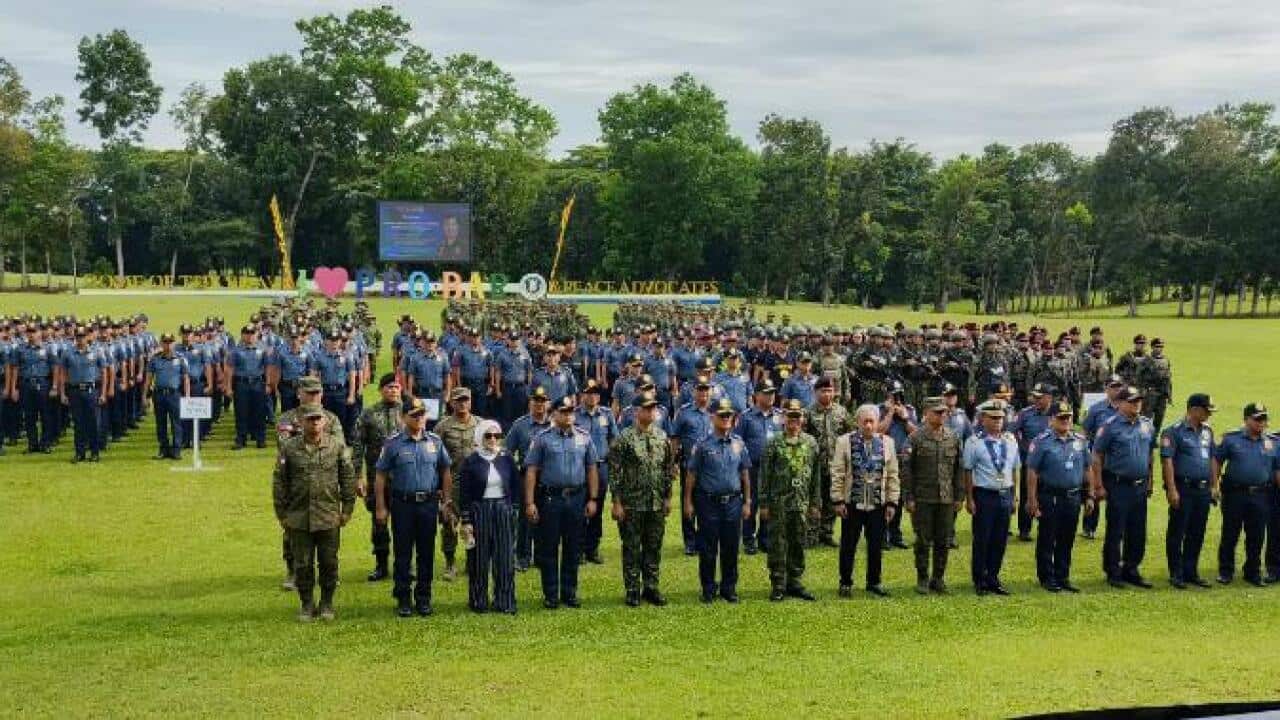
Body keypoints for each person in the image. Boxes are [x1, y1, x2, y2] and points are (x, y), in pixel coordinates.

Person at [273, 408, 356, 622]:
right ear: (302, 422)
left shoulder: (336, 446)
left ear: (326, 421)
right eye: (310, 420)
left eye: (318, 419)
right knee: (303, 564)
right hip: (299, 517)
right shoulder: (289, 448)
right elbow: (280, 482)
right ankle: (307, 604)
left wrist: (347, 509)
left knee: (329, 563)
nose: (315, 423)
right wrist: (282, 513)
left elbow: (347, 478)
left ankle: (327, 603)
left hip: (328, 516)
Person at [374, 398, 454, 617]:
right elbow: (380, 475)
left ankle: (424, 597)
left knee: (426, 553)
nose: (419, 419)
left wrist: (446, 501)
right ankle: (403, 597)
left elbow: (445, 471)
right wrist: (381, 507)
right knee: (402, 554)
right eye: (414, 415)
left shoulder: (435, 442)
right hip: (403, 505)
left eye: (422, 414)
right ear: (403, 417)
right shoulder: (393, 443)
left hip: (428, 504)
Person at [524, 395, 600, 609]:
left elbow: (592, 468)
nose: (568, 415)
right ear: (554, 414)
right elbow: (531, 471)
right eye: (564, 412)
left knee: (573, 547)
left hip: (576, 498)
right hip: (551, 499)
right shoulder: (542, 438)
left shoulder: (584, 437)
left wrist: (593, 498)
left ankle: (569, 592)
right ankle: (551, 594)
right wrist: (530, 502)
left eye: (571, 412)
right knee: (548, 548)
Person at [607, 391, 677, 606]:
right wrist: (617, 503)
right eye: (647, 408)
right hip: (632, 503)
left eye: (653, 408)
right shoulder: (624, 439)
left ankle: (651, 587)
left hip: (655, 502)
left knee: (653, 547)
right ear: (637, 412)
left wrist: (667, 498)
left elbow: (667, 469)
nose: (652, 411)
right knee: (631, 548)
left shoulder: (662, 436)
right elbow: (615, 473)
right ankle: (632, 589)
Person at [684, 398, 751, 604]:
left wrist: (748, 501)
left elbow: (745, 474)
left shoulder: (739, 444)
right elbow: (691, 475)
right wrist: (688, 501)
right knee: (708, 548)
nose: (726, 419)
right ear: (713, 417)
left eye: (729, 415)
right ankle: (708, 588)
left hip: (733, 502)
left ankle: (728, 588)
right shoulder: (702, 445)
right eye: (722, 415)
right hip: (708, 503)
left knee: (731, 548)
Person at [1090, 386, 1156, 589]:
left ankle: (1131, 568)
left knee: (1137, 530)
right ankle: (1113, 571)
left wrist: (1150, 480)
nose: (1137, 404)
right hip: (1118, 484)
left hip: (1140, 485)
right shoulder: (1109, 426)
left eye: (1139, 400)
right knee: (1116, 530)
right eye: (1132, 401)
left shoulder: (1147, 425)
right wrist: (1099, 485)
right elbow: (1097, 455)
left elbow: (1150, 454)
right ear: (1120, 403)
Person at [830, 403, 899, 597]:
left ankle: (874, 582)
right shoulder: (844, 442)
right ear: (857, 422)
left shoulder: (888, 443)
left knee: (876, 545)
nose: (868, 425)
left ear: (878, 423)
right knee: (848, 545)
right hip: (852, 503)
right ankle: (845, 582)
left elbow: (893, 474)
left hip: (878, 503)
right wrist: (838, 500)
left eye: (872, 421)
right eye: (864, 421)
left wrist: (892, 502)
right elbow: (837, 472)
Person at [1025, 400, 1092, 593]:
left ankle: (1063, 576)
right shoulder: (1041, 442)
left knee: (1067, 538)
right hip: (1050, 497)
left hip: (1072, 497)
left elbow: (1087, 468)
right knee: (1048, 538)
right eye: (1061, 418)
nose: (1065, 421)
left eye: (1068, 417)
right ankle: (1046, 576)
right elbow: (1032, 472)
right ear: (1051, 420)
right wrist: (1032, 499)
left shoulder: (1080, 441)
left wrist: (1089, 495)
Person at [759, 398, 821, 602]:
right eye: (790, 416)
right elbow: (764, 475)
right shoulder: (774, 442)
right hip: (778, 503)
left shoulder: (811, 443)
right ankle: (778, 583)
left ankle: (794, 581)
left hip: (801, 503)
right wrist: (764, 503)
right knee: (777, 543)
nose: (794, 420)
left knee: (798, 542)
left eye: (797, 416)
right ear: (783, 418)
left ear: (802, 419)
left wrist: (814, 503)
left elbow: (816, 476)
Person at [901, 396, 964, 594]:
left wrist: (959, 496)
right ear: (927, 413)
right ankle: (922, 578)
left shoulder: (952, 438)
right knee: (922, 540)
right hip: (923, 498)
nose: (942, 415)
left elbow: (958, 469)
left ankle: (938, 578)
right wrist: (908, 497)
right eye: (937, 412)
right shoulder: (915, 438)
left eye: (944, 412)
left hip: (945, 498)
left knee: (943, 540)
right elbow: (906, 470)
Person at [458, 419, 519, 613]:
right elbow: (464, 493)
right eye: (488, 435)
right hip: (479, 510)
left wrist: (513, 510)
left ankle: (504, 601)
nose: (493, 439)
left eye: (497, 435)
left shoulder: (506, 458)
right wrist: (466, 520)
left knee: (504, 558)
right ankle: (479, 600)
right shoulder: (471, 461)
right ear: (479, 436)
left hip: (502, 509)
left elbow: (516, 486)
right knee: (479, 558)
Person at [1211, 402, 1273, 587]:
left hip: (1261, 495)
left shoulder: (1272, 442)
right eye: (1257, 419)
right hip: (1235, 494)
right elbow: (1216, 460)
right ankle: (1225, 571)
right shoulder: (1231, 439)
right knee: (1230, 533)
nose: (1261, 423)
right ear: (1246, 420)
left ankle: (1252, 572)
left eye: (1264, 419)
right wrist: (1214, 485)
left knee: (1257, 535)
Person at [963, 399, 1020, 596]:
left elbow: (1014, 469)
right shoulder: (973, 442)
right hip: (984, 495)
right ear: (982, 419)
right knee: (982, 538)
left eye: (1000, 418)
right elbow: (968, 471)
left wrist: (1015, 496)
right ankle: (979, 579)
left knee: (1000, 539)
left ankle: (993, 577)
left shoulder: (1011, 441)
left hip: (1005, 494)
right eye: (993, 418)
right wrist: (969, 498)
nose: (997, 421)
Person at [1160, 393, 1216, 589]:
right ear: (1193, 410)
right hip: (1183, 488)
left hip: (1202, 489)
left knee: (1197, 532)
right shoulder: (1173, 432)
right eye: (1206, 410)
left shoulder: (1208, 431)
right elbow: (1167, 462)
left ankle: (1191, 571)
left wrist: (1213, 485)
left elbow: (1211, 459)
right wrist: (1172, 489)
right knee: (1178, 531)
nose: (1209, 414)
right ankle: (1176, 572)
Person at [352, 373, 404, 582]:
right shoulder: (368, 414)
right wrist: (358, 476)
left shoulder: (409, 412)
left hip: (403, 478)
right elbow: (357, 446)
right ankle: (381, 565)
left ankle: (403, 565)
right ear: (381, 389)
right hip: (377, 479)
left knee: (403, 524)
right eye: (389, 387)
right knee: (379, 522)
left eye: (396, 387)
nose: (393, 390)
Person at [434, 386, 482, 581]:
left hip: (476, 483)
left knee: (477, 522)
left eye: (466, 400)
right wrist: (438, 488)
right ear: (451, 403)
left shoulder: (480, 424)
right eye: (458, 400)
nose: (462, 404)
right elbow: (435, 459)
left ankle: (474, 561)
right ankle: (450, 563)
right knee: (449, 523)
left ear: (470, 402)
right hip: (451, 482)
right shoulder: (442, 427)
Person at [735, 380, 783, 555]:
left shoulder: (779, 416)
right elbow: (737, 442)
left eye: (772, 392)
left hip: (774, 468)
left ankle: (765, 538)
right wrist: (743, 465)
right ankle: (748, 539)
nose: (771, 396)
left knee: (769, 502)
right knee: (751, 502)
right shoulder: (746, 417)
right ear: (756, 395)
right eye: (766, 392)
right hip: (753, 467)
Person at [574, 379, 618, 564]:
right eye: (588, 392)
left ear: (599, 396)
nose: (591, 396)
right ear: (582, 395)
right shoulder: (575, 415)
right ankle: (579, 549)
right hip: (580, 468)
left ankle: (593, 548)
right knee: (579, 509)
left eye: (595, 393)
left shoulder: (607, 415)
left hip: (601, 467)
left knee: (597, 509)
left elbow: (614, 440)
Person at [805, 377, 853, 548]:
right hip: (815, 465)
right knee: (814, 499)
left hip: (835, 464)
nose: (827, 394)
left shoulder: (841, 412)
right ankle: (811, 534)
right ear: (815, 392)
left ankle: (827, 533)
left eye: (830, 390)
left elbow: (850, 435)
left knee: (832, 499)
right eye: (823, 390)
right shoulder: (808, 413)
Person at [1011, 384, 1055, 541]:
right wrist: (1022, 446)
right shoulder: (1025, 413)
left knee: (1048, 495)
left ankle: (1047, 527)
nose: (1035, 400)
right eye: (1034, 397)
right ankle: (1025, 529)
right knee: (1026, 494)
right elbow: (1011, 431)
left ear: (1049, 397)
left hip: (1051, 463)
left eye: (1039, 397)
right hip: (1030, 462)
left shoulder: (1057, 413)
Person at [57, 326, 108, 463]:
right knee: (78, 423)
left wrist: (103, 393)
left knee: (93, 423)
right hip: (74, 391)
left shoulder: (97, 351)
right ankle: (80, 453)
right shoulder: (67, 353)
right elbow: (62, 374)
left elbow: (104, 373)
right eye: (78, 337)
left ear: (88, 337)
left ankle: (94, 452)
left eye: (83, 336)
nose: (80, 339)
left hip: (92, 391)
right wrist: (62, 393)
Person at [146, 334, 190, 460]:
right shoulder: (155, 359)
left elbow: (186, 378)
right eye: (165, 342)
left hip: (174, 394)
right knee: (160, 423)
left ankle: (176, 450)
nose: (168, 345)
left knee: (176, 423)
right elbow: (149, 378)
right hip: (159, 394)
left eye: (170, 342)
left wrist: (187, 396)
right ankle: (163, 449)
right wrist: (145, 396)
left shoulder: (181, 359)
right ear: (161, 343)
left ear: (174, 343)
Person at [225, 325, 269, 449]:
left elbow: (267, 367)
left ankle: (260, 439)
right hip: (241, 384)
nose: (250, 336)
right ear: (242, 335)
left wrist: (269, 384)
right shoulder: (235, 350)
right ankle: (240, 439)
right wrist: (228, 387)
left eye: (252, 333)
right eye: (247, 333)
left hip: (258, 383)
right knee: (241, 412)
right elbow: (229, 369)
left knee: (260, 412)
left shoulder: (263, 349)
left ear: (256, 335)